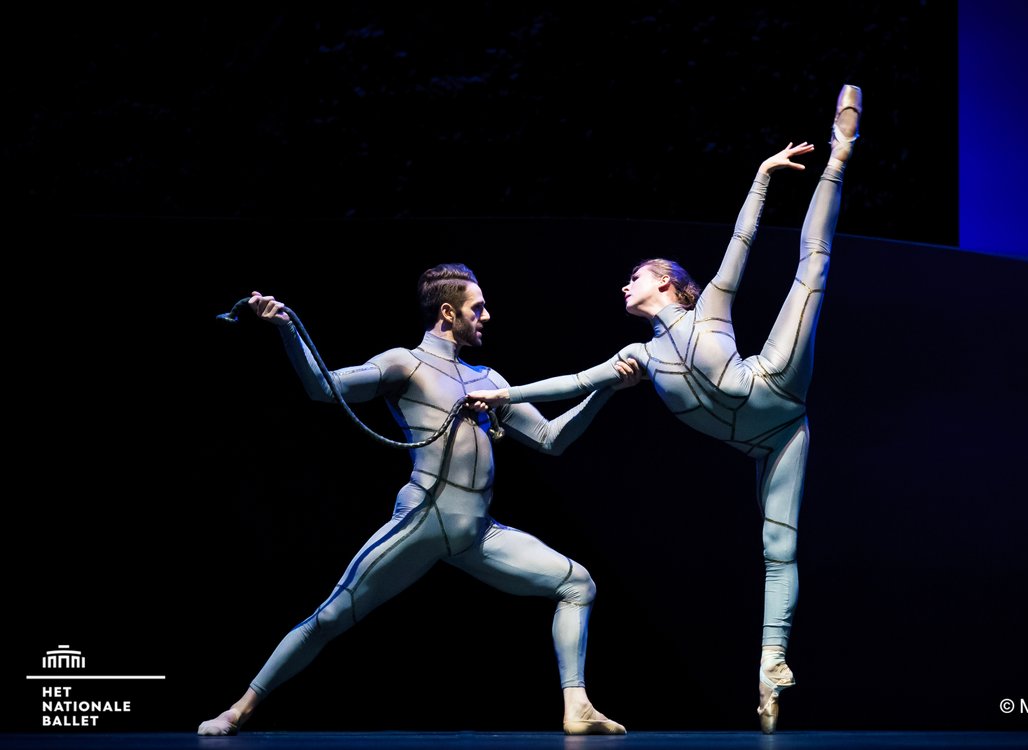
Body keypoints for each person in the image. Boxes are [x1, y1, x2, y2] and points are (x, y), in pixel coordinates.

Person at [466, 86, 863, 733]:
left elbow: (743, 237)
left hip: (775, 387)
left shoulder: (710, 306)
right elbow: (570, 380)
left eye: (636, 275)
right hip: (774, 439)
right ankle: (771, 664)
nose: (625, 284)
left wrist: (762, 176)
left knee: (811, 271)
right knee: (775, 547)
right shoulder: (638, 359)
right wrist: (503, 395)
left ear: (668, 283)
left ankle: (841, 156)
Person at [198, 264, 637, 736]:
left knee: (578, 583)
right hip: (422, 519)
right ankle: (238, 708)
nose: (487, 316)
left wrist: (606, 388)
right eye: (478, 308)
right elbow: (325, 388)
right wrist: (287, 329)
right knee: (331, 616)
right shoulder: (405, 363)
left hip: (476, 532)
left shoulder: (489, 378)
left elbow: (552, 438)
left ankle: (577, 708)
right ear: (448, 313)